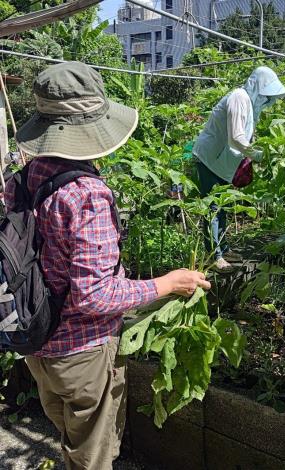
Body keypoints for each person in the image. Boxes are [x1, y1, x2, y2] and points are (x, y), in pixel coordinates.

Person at [5, 61, 211, 470]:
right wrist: (168, 283)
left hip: (35, 342)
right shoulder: (86, 195)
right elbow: (95, 295)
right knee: (94, 456)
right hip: (82, 352)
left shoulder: (25, 176)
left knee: (69, 430)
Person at [193, 66, 285, 272]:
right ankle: (213, 256)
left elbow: (244, 137)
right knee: (213, 209)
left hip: (222, 163)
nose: (267, 100)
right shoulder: (239, 97)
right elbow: (236, 137)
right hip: (210, 159)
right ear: (257, 87)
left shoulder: (249, 105)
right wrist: (257, 154)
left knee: (223, 207)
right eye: (266, 95)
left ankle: (223, 249)